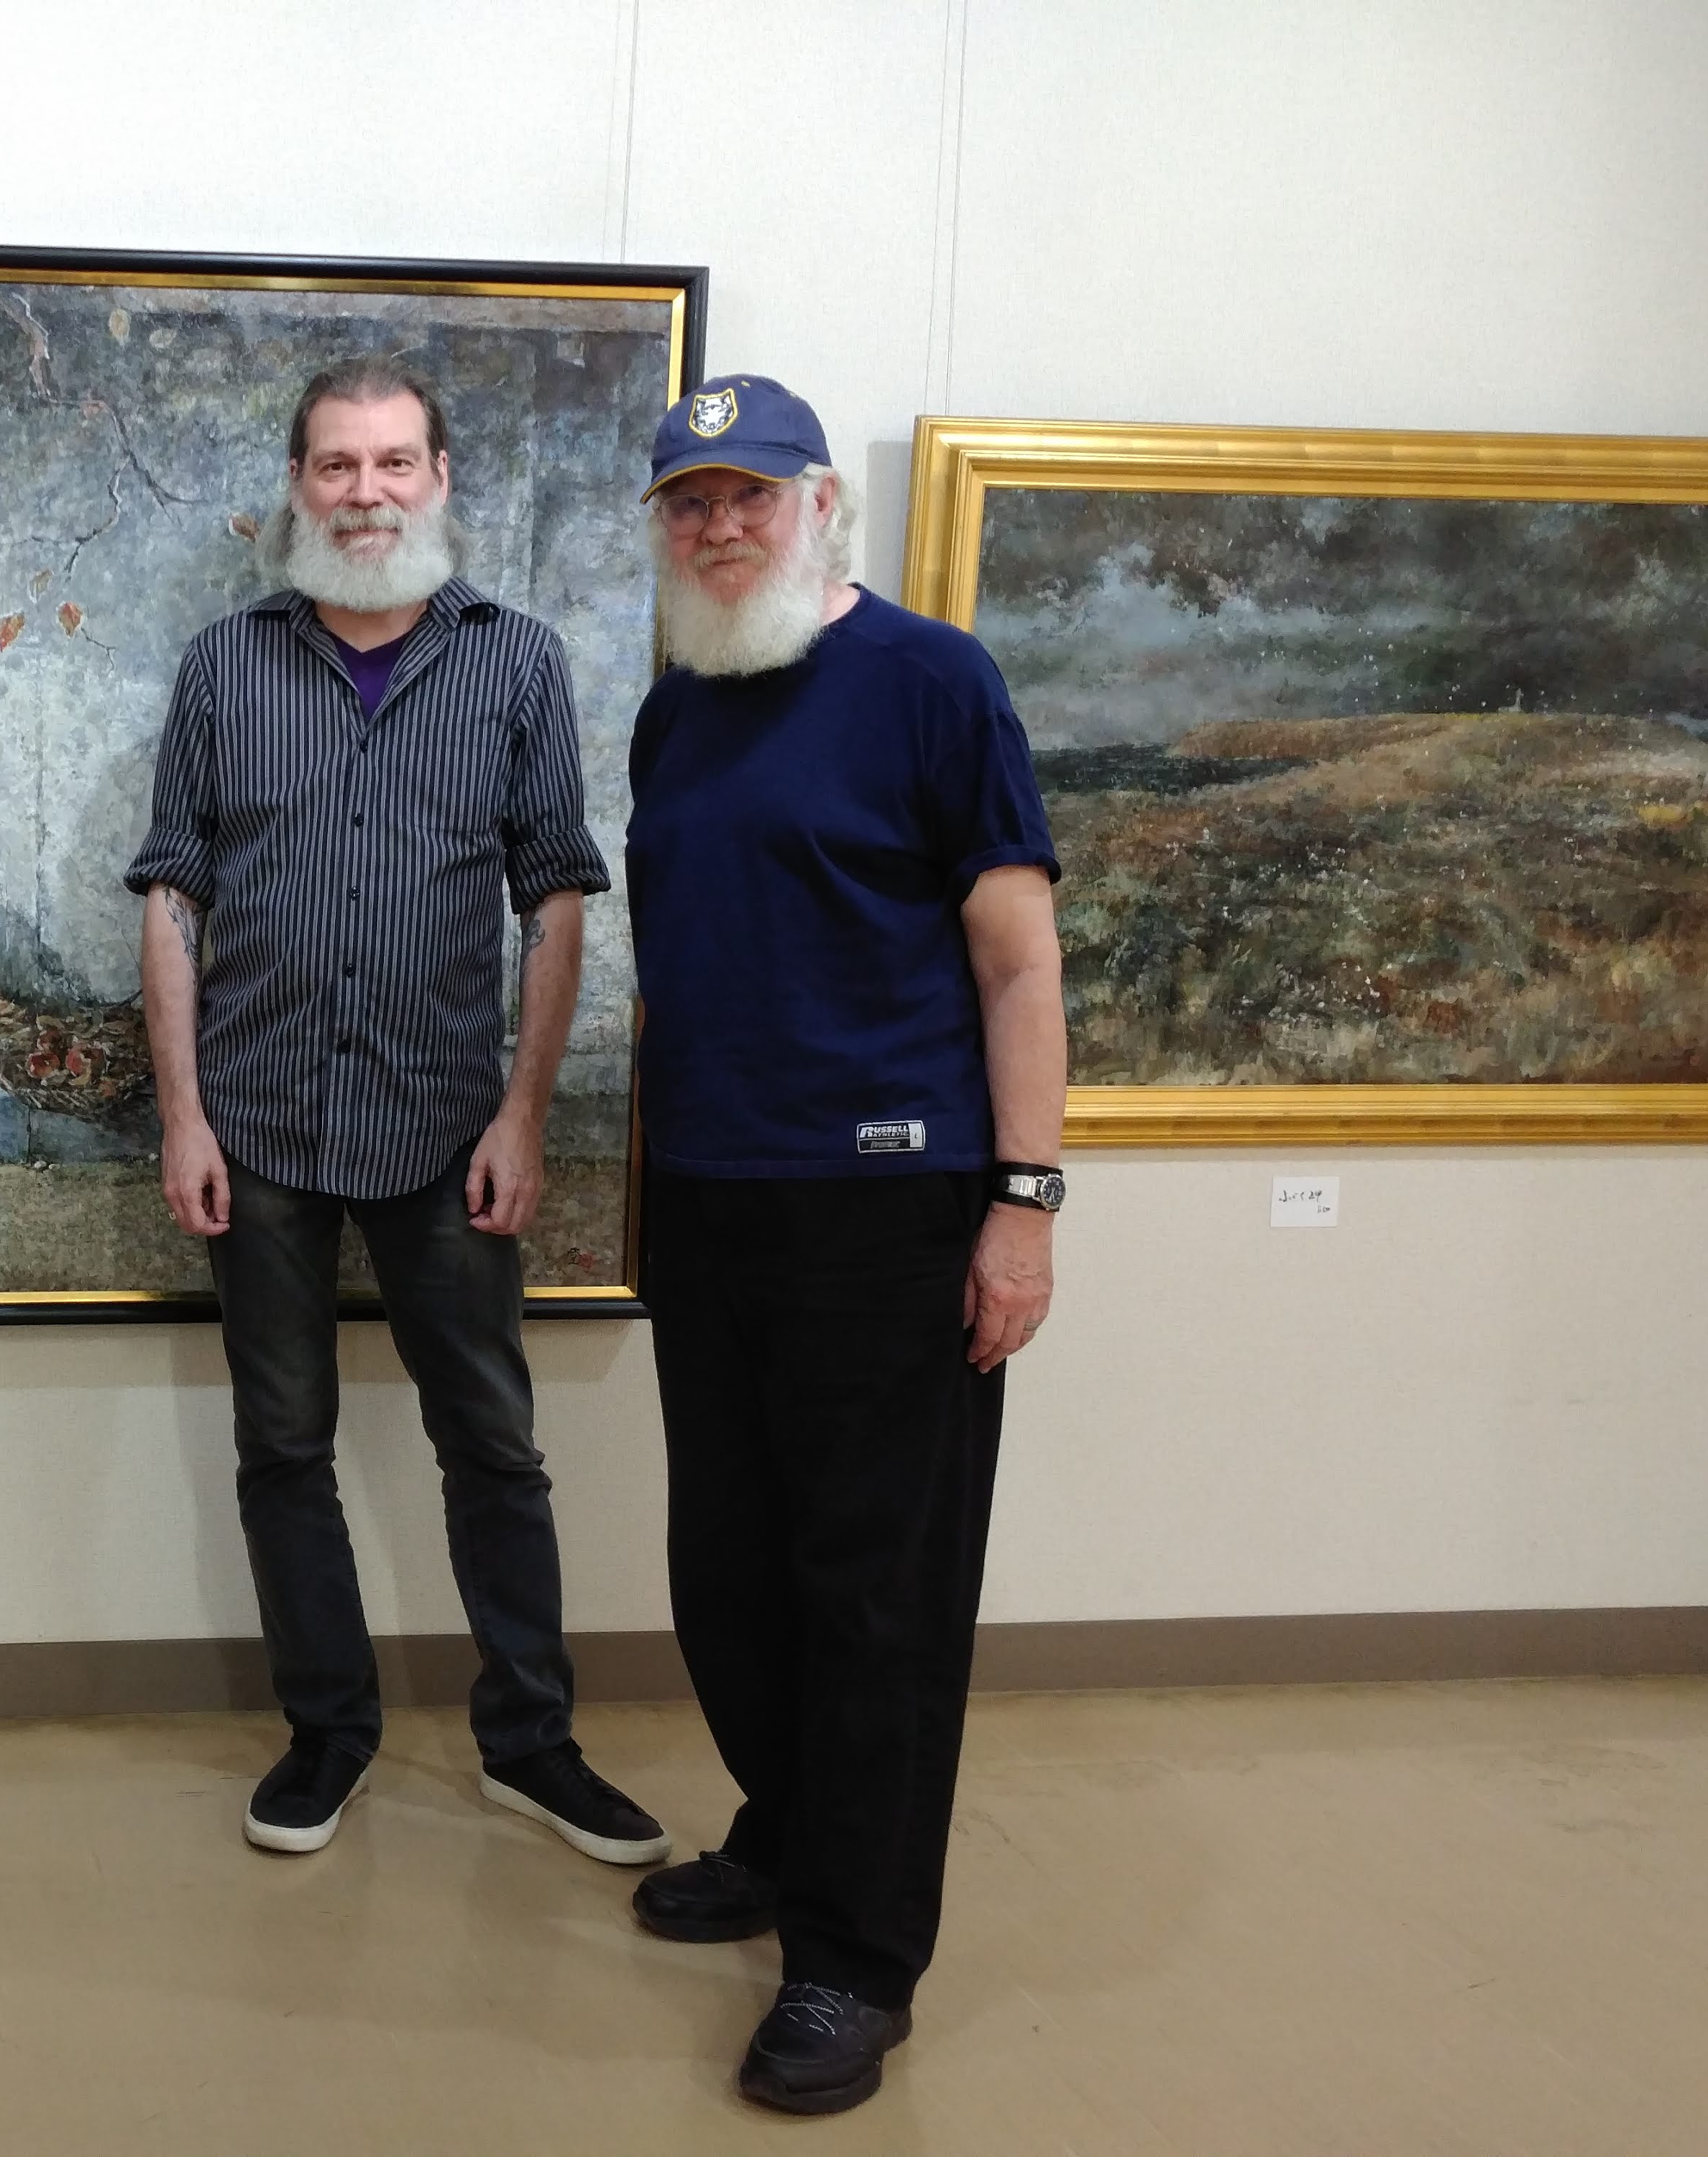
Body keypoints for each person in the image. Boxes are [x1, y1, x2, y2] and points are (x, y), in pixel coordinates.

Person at [126, 358, 669, 1871]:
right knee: (281, 1448)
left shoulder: (519, 664)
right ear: (299, 484)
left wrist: (525, 1113)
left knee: (494, 1446)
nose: (368, 492)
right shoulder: (225, 667)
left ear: (442, 478)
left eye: (396, 463)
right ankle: (329, 1733)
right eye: (339, 465)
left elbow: (555, 897)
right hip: (258, 1128)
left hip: (449, 1128)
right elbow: (173, 896)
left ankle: (533, 1745)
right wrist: (183, 1116)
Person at [617, 374, 1066, 2116]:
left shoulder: (933, 682)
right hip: (717, 1205)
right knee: (731, 1570)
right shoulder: (681, 709)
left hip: (892, 1207)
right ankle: (786, 1832)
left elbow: (1019, 964)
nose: (720, 525)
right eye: (688, 501)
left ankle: (851, 1959)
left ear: (821, 511)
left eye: (752, 494)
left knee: (876, 1594)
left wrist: (1023, 1206)